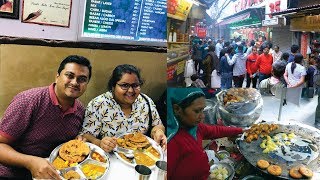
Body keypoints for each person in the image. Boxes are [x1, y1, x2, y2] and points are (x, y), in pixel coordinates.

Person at [0, 55, 92, 179]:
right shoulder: (28, 101)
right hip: (13, 173)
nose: (75, 82)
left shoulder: (80, 110)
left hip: (55, 172)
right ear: (57, 76)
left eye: (82, 79)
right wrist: (30, 162)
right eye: (69, 75)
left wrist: (77, 142)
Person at [80, 64, 167, 152]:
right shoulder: (98, 104)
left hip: (142, 156)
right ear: (113, 86)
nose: (131, 90)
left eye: (135, 85)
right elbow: (85, 135)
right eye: (124, 85)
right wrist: (100, 143)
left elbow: (157, 124)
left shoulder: (146, 102)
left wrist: (158, 131)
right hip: (110, 157)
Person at [167, 88, 243, 180]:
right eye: (197, 111)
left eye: (202, 110)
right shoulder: (171, 143)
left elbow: (216, 130)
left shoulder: (195, 128)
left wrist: (241, 130)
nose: (202, 116)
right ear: (177, 109)